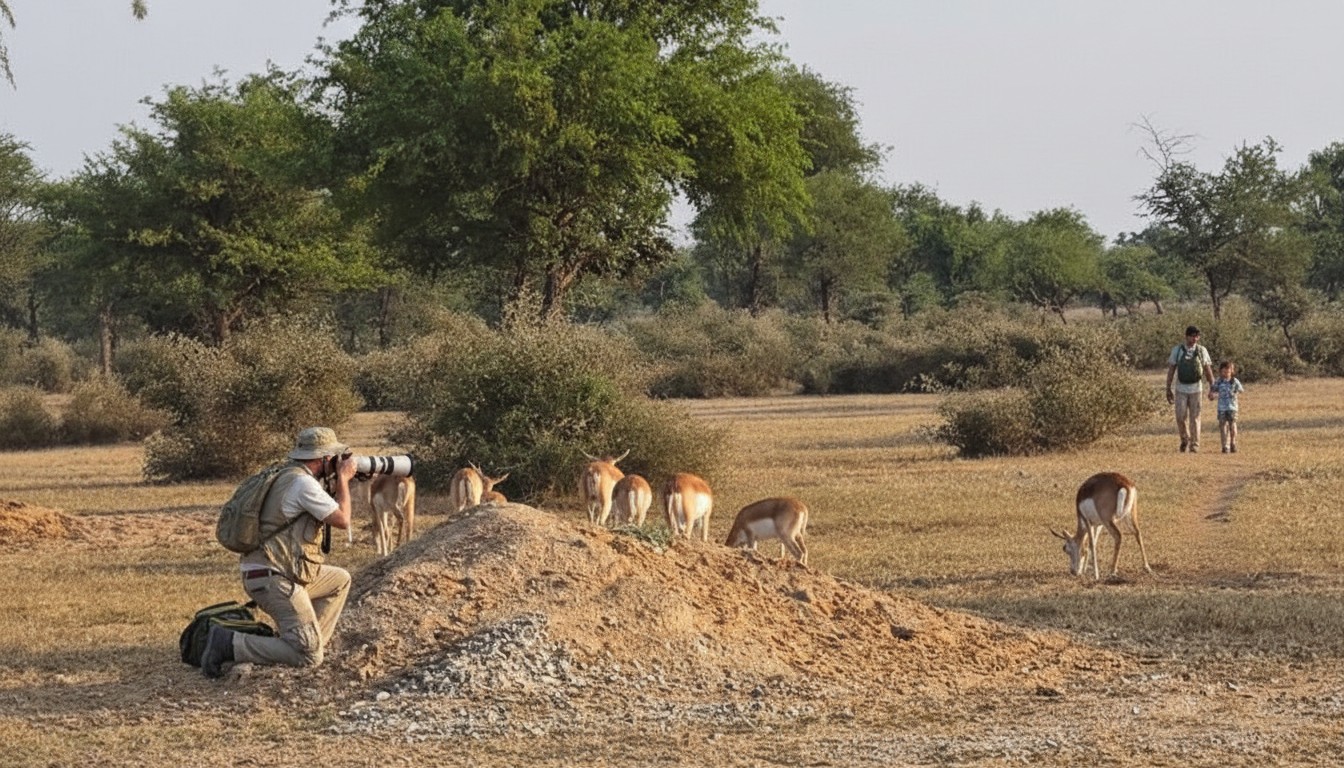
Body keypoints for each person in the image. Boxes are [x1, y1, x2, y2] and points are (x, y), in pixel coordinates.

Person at [202, 426, 357, 678]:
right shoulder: (302, 483)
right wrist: (343, 479)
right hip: (273, 577)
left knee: (339, 580)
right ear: (326, 459)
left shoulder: (285, 474)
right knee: (309, 657)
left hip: (270, 570)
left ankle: (306, 639)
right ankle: (229, 643)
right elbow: (342, 519)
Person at [1165, 325, 1215, 453]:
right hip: (1181, 388)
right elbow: (1171, 370)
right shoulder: (1177, 350)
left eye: (1196, 336)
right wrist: (1168, 388)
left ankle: (1195, 444)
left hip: (1196, 389)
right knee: (1180, 416)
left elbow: (1207, 370)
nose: (1194, 339)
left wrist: (1212, 387)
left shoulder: (1202, 350)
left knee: (1195, 417)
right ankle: (1184, 438)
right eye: (1192, 336)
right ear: (1186, 336)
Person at [1208, 360, 1245, 453]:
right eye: (1224, 371)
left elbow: (1241, 390)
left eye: (1228, 371)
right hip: (1221, 407)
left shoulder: (1235, 381)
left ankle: (1233, 442)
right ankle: (1225, 445)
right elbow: (1212, 391)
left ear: (1232, 371)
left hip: (1232, 407)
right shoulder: (1218, 381)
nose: (1226, 374)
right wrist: (1212, 395)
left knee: (1232, 425)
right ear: (1221, 371)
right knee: (1222, 425)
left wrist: (1234, 392)